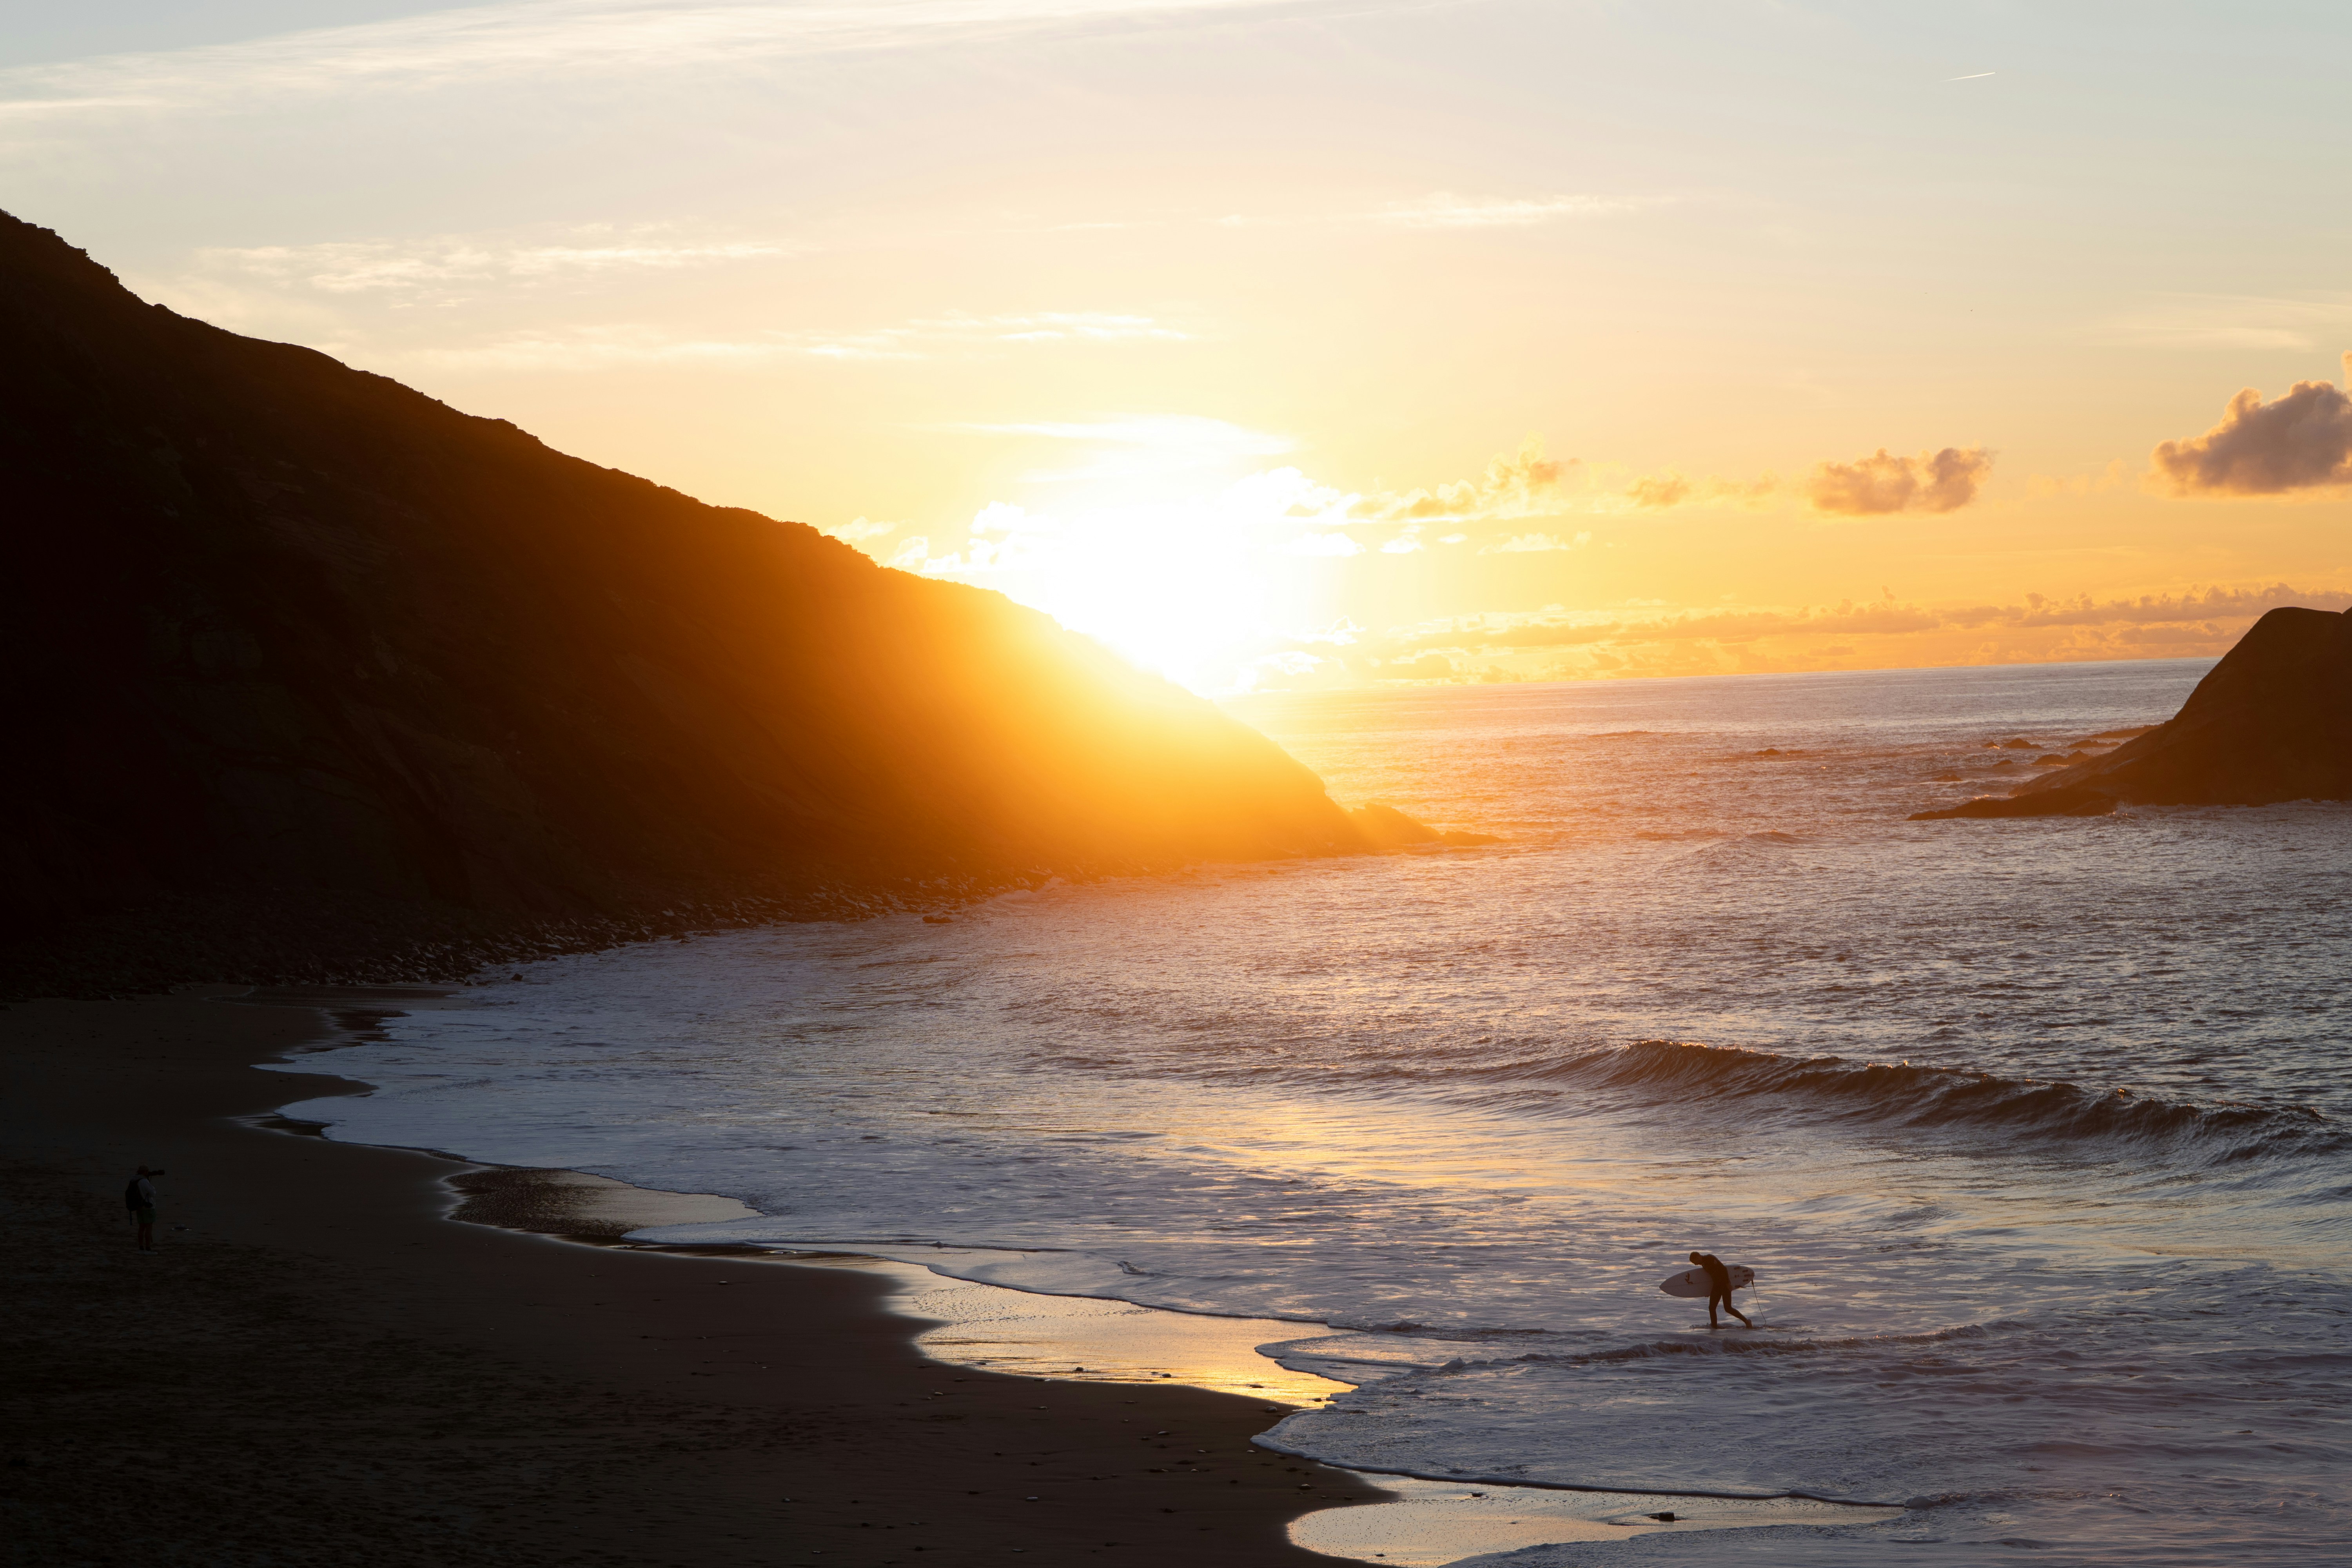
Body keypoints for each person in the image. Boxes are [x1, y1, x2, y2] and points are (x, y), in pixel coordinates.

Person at [1689, 1249, 1749, 1328]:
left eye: (1694, 1262)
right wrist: (1707, 1292)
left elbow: (1723, 1269)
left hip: (1724, 1284)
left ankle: (1747, 1321)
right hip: (1717, 1286)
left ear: (1697, 1258)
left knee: (1728, 1308)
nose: (1695, 1265)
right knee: (1712, 1308)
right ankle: (1715, 1328)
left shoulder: (1709, 1258)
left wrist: (1728, 1283)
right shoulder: (1703, 1264)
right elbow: (1710, 1278)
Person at [125, 1166, 163, 1253]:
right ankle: (148, 1247)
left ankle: (141, 1246)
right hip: (148, 1207)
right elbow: (153, 1193)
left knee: (141, 1227)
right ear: (145, 1172)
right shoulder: (144, 1181)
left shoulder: (134, 1180)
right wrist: (151, 1185)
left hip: (139, 1206)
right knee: (149, 1227)